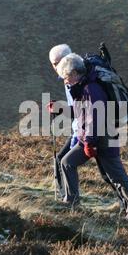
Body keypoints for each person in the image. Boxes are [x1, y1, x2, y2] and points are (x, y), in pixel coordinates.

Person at [56, 53, 128, 221]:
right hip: (91, 139)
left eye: (66, 77)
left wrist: (89, 143)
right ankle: (71, 202)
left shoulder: (91, 89)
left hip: (103, 139)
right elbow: (81, 114)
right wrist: (60, 109)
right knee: (66, 162)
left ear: (75, 73)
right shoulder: (82, 88)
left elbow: (95, 119)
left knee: (117, 177)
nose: (65, 81)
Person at [48, 44, 79, 199]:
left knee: (65, 161)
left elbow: (80, 109)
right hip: (81, 128)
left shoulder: (75, 79)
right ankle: (67, 197)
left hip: (86, 130)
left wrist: (60, 109)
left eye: (57, 63)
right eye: (54, 64)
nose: (55, 67)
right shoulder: (70, 77)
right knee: (63, 160)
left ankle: (69, 198)